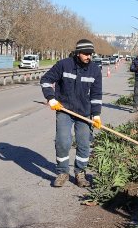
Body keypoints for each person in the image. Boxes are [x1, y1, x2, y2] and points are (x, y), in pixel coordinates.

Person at [40, 38, 103, 188]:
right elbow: (45, 80)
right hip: (64, 110)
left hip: (84, 112)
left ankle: (80, 172)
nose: (89, 56)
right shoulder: (64, 65)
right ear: (78, 53)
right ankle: (62, 172)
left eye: (90, 54)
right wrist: (51, 98)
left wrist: (96, 114)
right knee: (63, 141)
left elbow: (96, 94)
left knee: (83, 144)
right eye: (86, 54)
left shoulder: (95, 70)